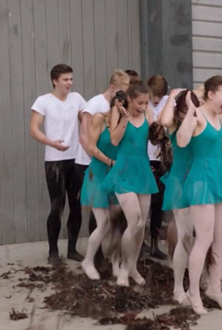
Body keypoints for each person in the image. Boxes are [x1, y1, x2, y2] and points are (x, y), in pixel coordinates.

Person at [177, 75, 222, 315]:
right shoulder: (198, 115)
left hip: (218, 175)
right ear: (211, 94)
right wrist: (190, 114)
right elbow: (181, 142)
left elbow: (221, 145)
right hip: (200, 178)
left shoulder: (218, 116)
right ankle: (193, 292)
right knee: (203, 239)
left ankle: (214, 287)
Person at [102, 77, 158, 286]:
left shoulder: (148, 114)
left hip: (142, 168)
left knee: (142, 224)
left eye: (146, 103)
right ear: (130, 99)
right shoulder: (119, 112)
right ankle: (123, 269)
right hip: (124, 169)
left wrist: (161, 133)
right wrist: (125, 117)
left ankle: (133, 267)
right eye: (140, 103)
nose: (143, 107)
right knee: (133, 221)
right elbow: (114, 140)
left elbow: (153, 136)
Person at [29, 64, 87, 265]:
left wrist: (87, 140)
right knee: (57, 205)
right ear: (55, 81)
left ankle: (72, 249)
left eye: (71, 79)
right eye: (65, 79)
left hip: (76, 159)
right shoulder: (43, 101)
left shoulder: (77, 99)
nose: (69, 83)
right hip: (55, 160)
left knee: (76, 204)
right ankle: (53, 251)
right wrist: (50, 142)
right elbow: (34, 129)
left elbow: (86, 121)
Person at [75, 69, 130, 266]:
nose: (125, 96)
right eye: (122, 91)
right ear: (113, 87)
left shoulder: (119, 110)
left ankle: (105, 256)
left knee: (110, 216)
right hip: (93, 162)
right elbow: (85, 136)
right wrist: (101, 160)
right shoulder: (95, 105)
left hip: (109, 164)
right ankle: (94, 257)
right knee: (99, 215)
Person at [80, 92, 126, 280]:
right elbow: (91, 146)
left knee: (118, 223)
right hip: (99, 173)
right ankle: (88, 261)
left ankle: (115, 261)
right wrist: (109, 162)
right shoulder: (100, 118)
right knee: (103, 222)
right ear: (116, 103)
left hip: (117, 175)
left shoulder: (125, 124)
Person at [159, 88, 199, 304]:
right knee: (184, 236)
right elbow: (164, 121)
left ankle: (195, 284)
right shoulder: (175, 122)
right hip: (181, 180)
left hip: (200, 178)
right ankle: (177, 288)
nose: (188, 114)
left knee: (199, 238)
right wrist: (172, 97)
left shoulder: (199, 119)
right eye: (183, 110)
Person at [145, 74, 171, 260]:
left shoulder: (168, 102)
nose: (156, 100)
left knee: (158, 203)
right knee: (141, 203)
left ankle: (154, 243)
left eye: (159, 97)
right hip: (143, 157)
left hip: (160, 158)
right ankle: (140, 244)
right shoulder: (142, 102)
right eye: (153, 96)